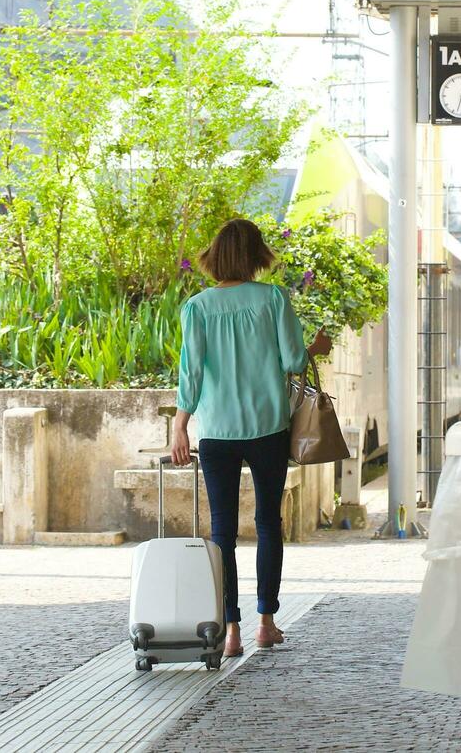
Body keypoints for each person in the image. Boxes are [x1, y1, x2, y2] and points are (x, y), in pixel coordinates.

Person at [170, 219, 332, 659]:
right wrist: (315, 347)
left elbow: (192, 374)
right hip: (268, 429)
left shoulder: (198, 307)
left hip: (217, 432)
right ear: (256, 255)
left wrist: (180, 424)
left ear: (215, 256)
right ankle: (266, 622)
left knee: (222, 530)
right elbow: (294, 359)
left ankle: (231, 631)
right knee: (267, 524)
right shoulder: (273, 298)